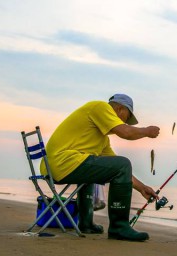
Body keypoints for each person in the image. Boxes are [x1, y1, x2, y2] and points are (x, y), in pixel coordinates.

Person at [40, 94, 160, 241]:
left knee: (107, 168)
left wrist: (142, 188)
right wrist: (147, 131)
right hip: (62, 162)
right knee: (124, 163)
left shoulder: (102, 139)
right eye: (127, 118)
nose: (126, 122)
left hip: (53, 167)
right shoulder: (100, 107)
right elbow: (125, 133)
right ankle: (119, 227)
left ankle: (86, 223)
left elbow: (117, 168)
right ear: (119, 109)